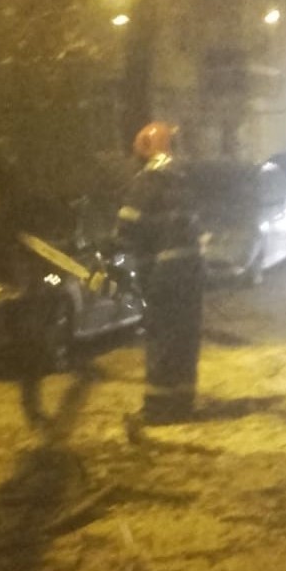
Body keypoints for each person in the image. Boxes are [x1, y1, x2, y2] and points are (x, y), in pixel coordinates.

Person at [117, 121, 204, 424]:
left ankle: (158, 409)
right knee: (185, 337)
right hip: (192, 272)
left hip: (164, 273)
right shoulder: (185, 179)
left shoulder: (148, 181)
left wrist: (111, 246)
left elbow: (128, 226)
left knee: (162, 336)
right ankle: (182, 403)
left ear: (145, 149)